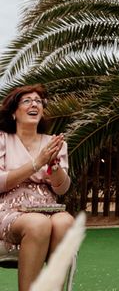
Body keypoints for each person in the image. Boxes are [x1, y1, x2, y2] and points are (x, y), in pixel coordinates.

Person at [0, 84, 74, 291]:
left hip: (48, 207)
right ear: (14, 112)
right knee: (38, 224)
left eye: (38, 102)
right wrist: (37, 162)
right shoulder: (3, 139)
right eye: (27, 101)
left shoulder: (54, 143)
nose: (34, 104)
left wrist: (54, 167)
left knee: (66, 222)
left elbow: (62, 189)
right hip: (9, 209)